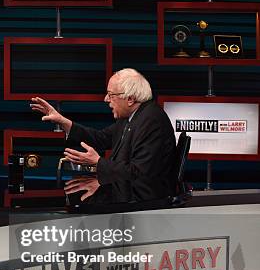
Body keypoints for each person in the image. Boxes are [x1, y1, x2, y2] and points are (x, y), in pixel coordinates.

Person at [31, 68, 176, 184]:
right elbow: (100, 138)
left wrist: (98, 162)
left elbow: (140, 174)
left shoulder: (151, 121)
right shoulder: (131, 116)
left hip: (144, 202)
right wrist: (63, 122)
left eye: (111, 95)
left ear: (130, 99)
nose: (106, 99)